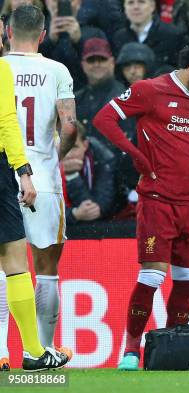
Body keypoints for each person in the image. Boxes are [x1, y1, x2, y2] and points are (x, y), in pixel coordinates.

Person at [93, 39, 189, 370]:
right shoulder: (149, 90)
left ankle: (170, 348)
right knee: (152, 275)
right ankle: (131, 349)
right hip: (158, 200)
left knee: (186, 278)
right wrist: (137, 155)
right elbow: (104, 119)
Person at [0, 6, 70, 372]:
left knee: (6, 267)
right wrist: (37, 164)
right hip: (37, 176)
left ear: (7, 30)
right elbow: (69, 124)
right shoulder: (55, 69)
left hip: (7, 171)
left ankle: (3, 352)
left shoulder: (3, 66)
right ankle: (40, 349)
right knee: (33, 268)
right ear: (42, 34)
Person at [61, 121, 118, 224]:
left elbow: (96, 209)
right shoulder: (44, 164)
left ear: (85, 145)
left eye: (74, 147)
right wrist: (74, 214)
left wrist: (72, 175)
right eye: (63, 147)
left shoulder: (102, 159)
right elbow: (44, 212)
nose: (68, 154)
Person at [112, 0, 189, 70]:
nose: (136, 7)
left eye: (141, 2)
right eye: (130, 2)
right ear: (124, 8)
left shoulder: (174, 36)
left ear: (152, 6)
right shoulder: (118, 37)